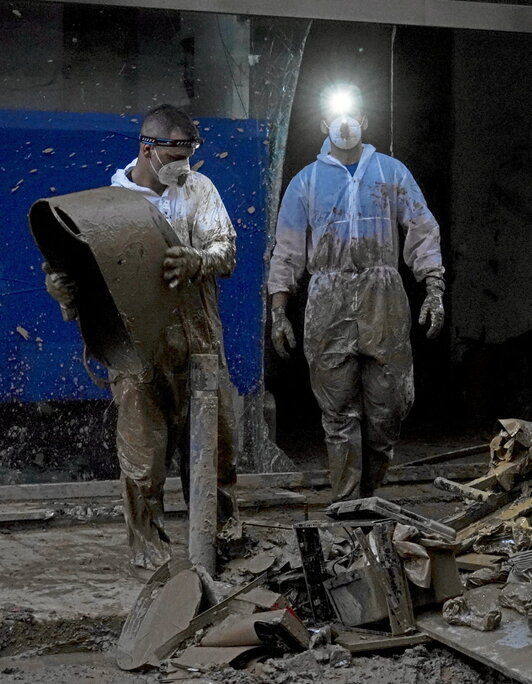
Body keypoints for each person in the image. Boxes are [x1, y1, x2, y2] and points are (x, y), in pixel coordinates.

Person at [44, 104, 239, 578]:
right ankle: (151, 558)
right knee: (143, 460)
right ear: (147, 149)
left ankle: (222, 544)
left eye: (190, 150)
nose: (184, 162)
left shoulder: (199, 190)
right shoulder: (105, 208)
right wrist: (63, 295)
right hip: (137, 350)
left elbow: (225, 249)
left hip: (199, 343)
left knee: (214, 451)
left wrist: (198, 260)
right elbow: (83, 290)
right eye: (176, 152)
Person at [268, 84, 445, 502]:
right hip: (327, 298)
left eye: (354, 115)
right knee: (338, 410)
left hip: (382, 295)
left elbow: (421, 228)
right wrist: (279, 308)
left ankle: (373, 491)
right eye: (337, 115)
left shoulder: (391, 172)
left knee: (388, 407)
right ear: (325, 122)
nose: (345, 124)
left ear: (364, 121)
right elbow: (288, 248)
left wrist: (433, 287)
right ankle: (349, 504)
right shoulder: (305, 182)